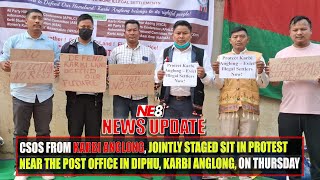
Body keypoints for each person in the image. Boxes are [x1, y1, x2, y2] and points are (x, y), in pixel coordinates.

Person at [0, 9, 59, 180]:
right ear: (26, 21)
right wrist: (5, 65)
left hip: (44, 94)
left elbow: (56, 65)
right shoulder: (14, 41)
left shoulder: (51, 44)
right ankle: (21, 168)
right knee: (20, 133)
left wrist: (55, 71)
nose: (37, 21)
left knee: (43, 132)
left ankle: (44, 167)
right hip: (21, 93)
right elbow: (4, 58)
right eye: (34, 18)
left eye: (40, 18)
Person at [155, 20, 214, 180]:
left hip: (191, 104)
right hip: (169, 103)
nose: (181, 36)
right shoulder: (165, 52)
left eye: (185, 33)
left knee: (193, 141)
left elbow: (210, 80)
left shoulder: (201, 53)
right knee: (169, 141)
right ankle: (170, 175)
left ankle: (195, 175)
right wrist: (158, 76)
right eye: (178, 33)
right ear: (173, 34)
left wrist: (203, 75)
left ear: (190, 34)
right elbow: (156, 77)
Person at [266, 15, 320, 180]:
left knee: (318, 156)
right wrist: (270, 73)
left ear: (311, 31)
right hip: (288, 112)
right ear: (289, 32)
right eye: (295, 30)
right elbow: (274, 83)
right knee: (291, 157)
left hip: (316, 112)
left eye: (303, 29)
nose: (299, 32)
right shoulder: (282, 54)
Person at [211, 26, 269, 180]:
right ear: (230, 40)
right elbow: (218, 85)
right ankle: (224, 175)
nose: (238, 39)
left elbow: (263, 84)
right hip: (227, 105)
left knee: (247, 140)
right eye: (235, 37)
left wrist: (260, 72)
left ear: (247, 39)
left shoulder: (257, 58)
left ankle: (244, 175)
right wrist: (216, 73)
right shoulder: (222, 58)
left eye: (242, 36)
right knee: (227, 140)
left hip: (249, 106)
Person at [108, 19, 155, 178]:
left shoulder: (148, 52)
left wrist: (154, 83)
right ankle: (117, 165)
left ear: (139, 32)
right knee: (119, 131)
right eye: (129, 30)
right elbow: (110, 73)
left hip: (141, 98)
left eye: (135, 30)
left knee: (140, 132)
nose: (132, 33)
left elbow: (153, 75)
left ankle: (142, 167)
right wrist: (110, 81)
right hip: (120, 98)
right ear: (125, 32)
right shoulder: (116, 52)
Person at [59, 14, 106, 139]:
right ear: (77, 28)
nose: (86, 29)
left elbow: (104, 73)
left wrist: (105, 71)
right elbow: (63, 71)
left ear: (93, 28)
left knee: (93, 134)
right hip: (74, 99)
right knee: (74, 133)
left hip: (94, 100)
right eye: (83, 26)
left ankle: (91, 158)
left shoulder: (100, 49)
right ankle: (76, 159)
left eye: (89, 27)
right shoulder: (68, 47)